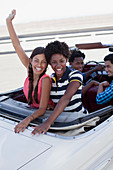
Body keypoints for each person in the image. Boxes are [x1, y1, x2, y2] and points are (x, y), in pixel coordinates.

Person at [6, 10, 54, 133]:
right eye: (36, 60)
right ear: (31, 61)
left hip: (42, 117)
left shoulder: (46, 79)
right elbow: (17, 46)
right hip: (30, 112)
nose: (39, 65)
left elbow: (42, 109)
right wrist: (8, 22)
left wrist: (27, 120)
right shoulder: (30, 70)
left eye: (44, 62)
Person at [31, 40, 88, 135]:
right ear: (49, 63)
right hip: (61, 120)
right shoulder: (50, 79)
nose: (58, 66)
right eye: (54, 62)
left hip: (79, 120)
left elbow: (66, 98)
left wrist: (47, 123)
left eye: (61, 61)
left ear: (66, 59)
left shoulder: (75, 75)